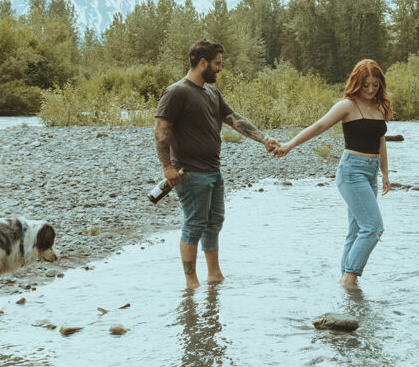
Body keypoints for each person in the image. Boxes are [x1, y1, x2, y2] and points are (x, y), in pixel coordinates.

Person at [154, 39, 280, 289]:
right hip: (189, 173)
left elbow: (234, 119)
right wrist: (166, 167)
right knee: (194, 223)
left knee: (214, 222)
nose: (220, 68)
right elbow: (161, 130)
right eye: (217, 63)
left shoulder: (212, 93)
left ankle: (215, 275)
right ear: (203, 63)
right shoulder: (176, 92)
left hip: (213, 171)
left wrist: (264, 139)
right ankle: (191, 283)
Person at [274, 59, 391, 290]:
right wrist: (290, 145)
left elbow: (380, 140)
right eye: (366, 85)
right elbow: (318, 126)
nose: (370, 90)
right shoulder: (347, 105)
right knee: (374, 227)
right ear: (357, 82)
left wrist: (385, 173)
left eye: (375, 85)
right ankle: (350, 277)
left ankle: (344, 289)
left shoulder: (380, 107)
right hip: (351, 171)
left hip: (371, 172)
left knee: (357, 230)